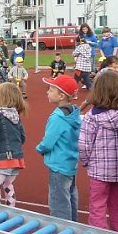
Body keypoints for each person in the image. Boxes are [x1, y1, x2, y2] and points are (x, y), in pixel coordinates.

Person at [77, 70, 118, 233]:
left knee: (97, 207)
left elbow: (84, 145)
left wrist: (86, 162)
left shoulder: (91, 117)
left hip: (99, 171)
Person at [36, 75, 82, 221]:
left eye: (51, 89)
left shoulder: (56, 117)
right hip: (70, 162)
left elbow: (48, 142)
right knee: (70, 196)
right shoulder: (74, 114)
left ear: (61, 96)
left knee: (58, 201)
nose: (47, 92)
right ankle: (72, 228)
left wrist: (39, 148)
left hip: (58, 165)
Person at [0, 82, 27, 207]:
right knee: (8, 185)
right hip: (17, 157)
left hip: (2, 158)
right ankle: (11, 208)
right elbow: (22, 137)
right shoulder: (15, 115)